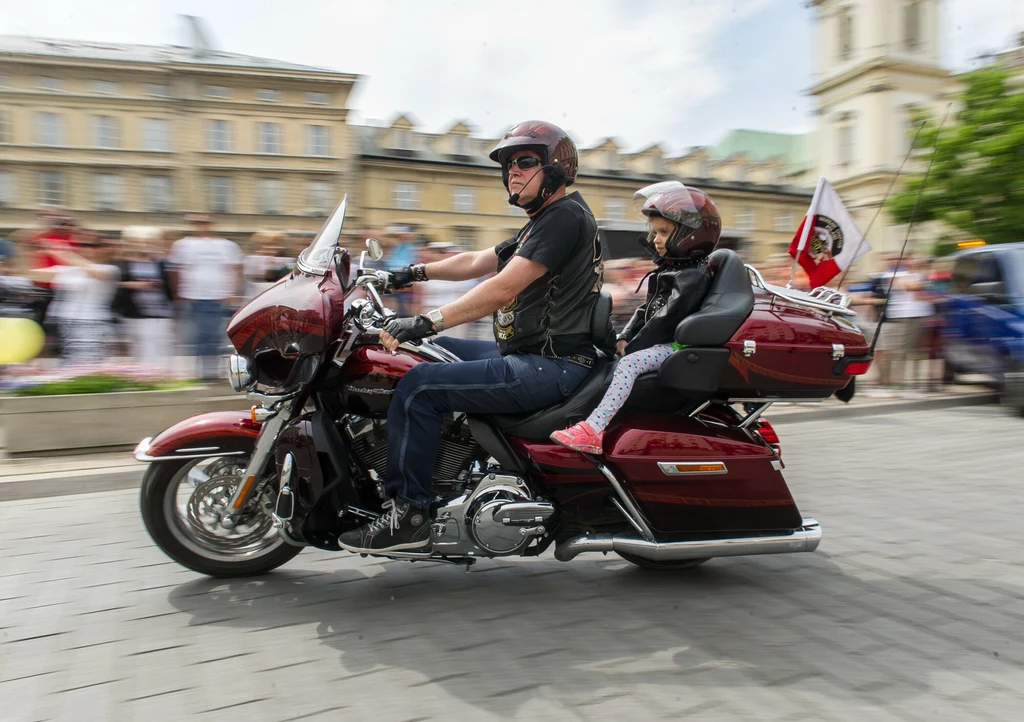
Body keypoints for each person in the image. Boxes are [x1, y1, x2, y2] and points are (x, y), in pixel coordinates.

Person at [338, 120, 604, 554]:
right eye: (508, 165)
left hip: (551, 365)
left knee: (419, 386)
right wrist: (405, 274)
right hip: (531, 354)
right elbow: (478, 260)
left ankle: (410, 514)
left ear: (555, 169)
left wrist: (427, 320)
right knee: (420, 356)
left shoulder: (564, 217)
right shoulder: (541, 222)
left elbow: (502, 287)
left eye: (525, 162)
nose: (512, 172)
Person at [549, 181, 720, 453]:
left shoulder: (691, 275)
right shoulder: (672, 270)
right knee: (607, 358)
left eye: (664, 231)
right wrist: (624, 336)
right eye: (654, 231)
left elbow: (665, 318)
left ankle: (594, 430)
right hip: (661, 341)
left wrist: (634, 347)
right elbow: (645, 310)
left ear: (691, 234)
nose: (655, 239)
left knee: (629, 365)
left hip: (677, 346)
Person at [169, 214, 243, 380]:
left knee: (213, 336)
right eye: (198, 223)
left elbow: (236, 269)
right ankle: (201, 370)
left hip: (217, 297)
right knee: (197, 337)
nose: (202, 227)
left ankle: (211, 370)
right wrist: (179, 293)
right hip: (193, 297)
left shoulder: (226, 246)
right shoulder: (183, 245)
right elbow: (176, 271)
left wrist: (231, 293)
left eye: (205, 223)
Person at [33, 236, 121, 366]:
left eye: (92, 246)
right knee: (66, 361)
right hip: (63, 321)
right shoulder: (69, 269)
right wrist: (28, 251)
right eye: (83, 246)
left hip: (91, 322)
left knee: (87, 361)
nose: (86, 249)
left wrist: (63, 253)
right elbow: (34, 275)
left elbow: (97, 274)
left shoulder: (110, 269)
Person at [115, 226, 175, 372]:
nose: (145, 246)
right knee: (141, 350)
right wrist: (133, 285)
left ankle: (161, 376)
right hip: (136, 315)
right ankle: (146, 376)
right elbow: (112, 282)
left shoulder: (162, 264)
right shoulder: (123, 264)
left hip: (161, 314)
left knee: (162, 348)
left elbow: (170, 287)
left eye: (149, 243)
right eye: (140, 242)